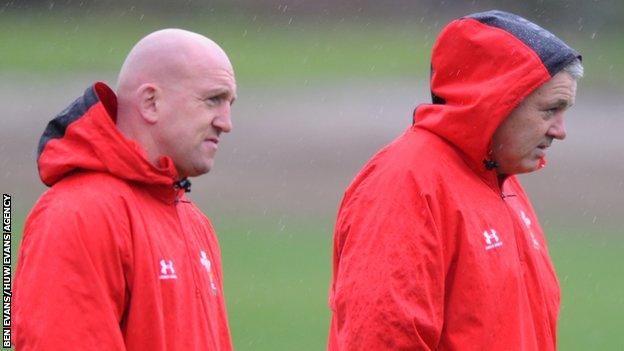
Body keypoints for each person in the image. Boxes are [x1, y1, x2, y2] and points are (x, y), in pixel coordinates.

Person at [328, 10, 583, 350]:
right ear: (495, 101)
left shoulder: (503, 184)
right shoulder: (406, 185)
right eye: (550, 109)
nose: (560, 131)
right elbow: (381, 339)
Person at [13, 29, 237, 350]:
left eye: (230, 103)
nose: (226, 122)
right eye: (213, 100)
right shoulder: (79, 215)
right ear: (150, 103)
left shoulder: (195, 223)